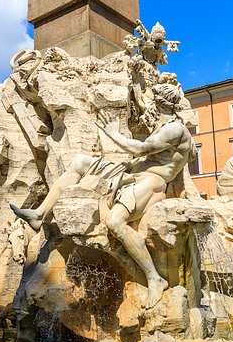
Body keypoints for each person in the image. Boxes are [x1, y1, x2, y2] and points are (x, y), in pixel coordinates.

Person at [10, 84, 195, 309]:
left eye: (153, 100)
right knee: (80, 162)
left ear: (160, 103)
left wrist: (113, 134)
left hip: (151, 181)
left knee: (115, 222)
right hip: (132, 173)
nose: (149, 105)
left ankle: (154, 277)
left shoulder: (175, 129)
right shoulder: (167, 125)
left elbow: (140, 149)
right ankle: (39, 214)